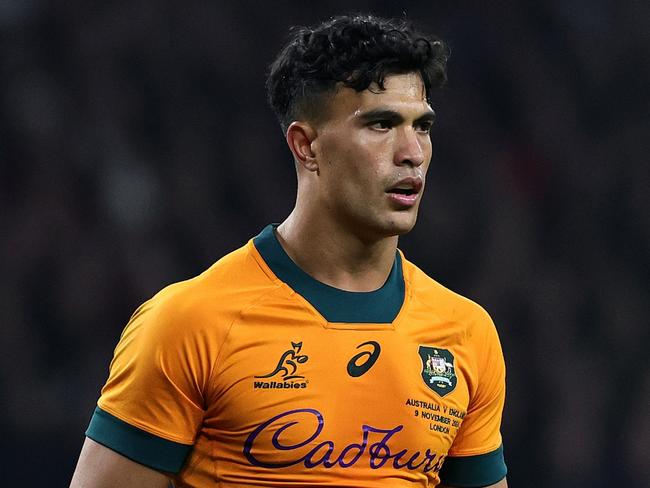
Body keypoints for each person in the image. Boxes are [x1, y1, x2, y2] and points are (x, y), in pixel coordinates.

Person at [70, 14, 508, 488]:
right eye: (381, 124)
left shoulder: (466, 333)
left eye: (421, 127)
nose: (412, 152)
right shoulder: (189, 323)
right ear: (306, 146)